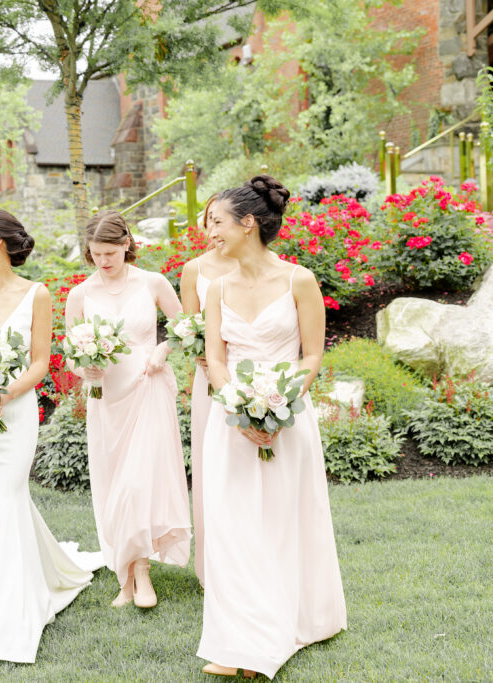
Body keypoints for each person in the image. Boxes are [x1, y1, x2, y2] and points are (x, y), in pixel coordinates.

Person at [198, 176, 346, 679]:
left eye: (216, 222)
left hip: (289, 419)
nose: (209, 231)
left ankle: (291, 622)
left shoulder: (299, 280)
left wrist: (279, 407)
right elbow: (215, 359)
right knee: (232, 526)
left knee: (285, 522)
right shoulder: (215, 288)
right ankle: (240, 635)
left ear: (249, 223)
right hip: (231, 423)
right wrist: (239, 409)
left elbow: (312, 354)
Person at [0, 208, 103, 664]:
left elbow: (39, 362)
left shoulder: (37, 294)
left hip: (13, 416)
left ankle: (10, 611)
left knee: (4, 496)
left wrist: (4, 392)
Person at [64, 211, 190, 609]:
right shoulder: (80, 294)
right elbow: (69, 354)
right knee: (112, 483)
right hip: (105, 396)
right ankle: (125, 572)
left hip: (148, 386)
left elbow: (186, 325)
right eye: (96, 253)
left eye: (110, 252)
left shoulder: (152, 282)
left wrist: (162, 348)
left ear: (126, 245)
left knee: (138, 482)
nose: (103, 260)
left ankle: (141, 574)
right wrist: (83, 367)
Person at [177, 195, 237, 588]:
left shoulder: (260, 266)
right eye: (209, 221)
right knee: (212, 465)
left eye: (220, 221)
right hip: (208, 379)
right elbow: (187, 326)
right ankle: (213, 564)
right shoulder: (194, 270)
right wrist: (201, 352)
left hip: (252, 369)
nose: (214, 230)